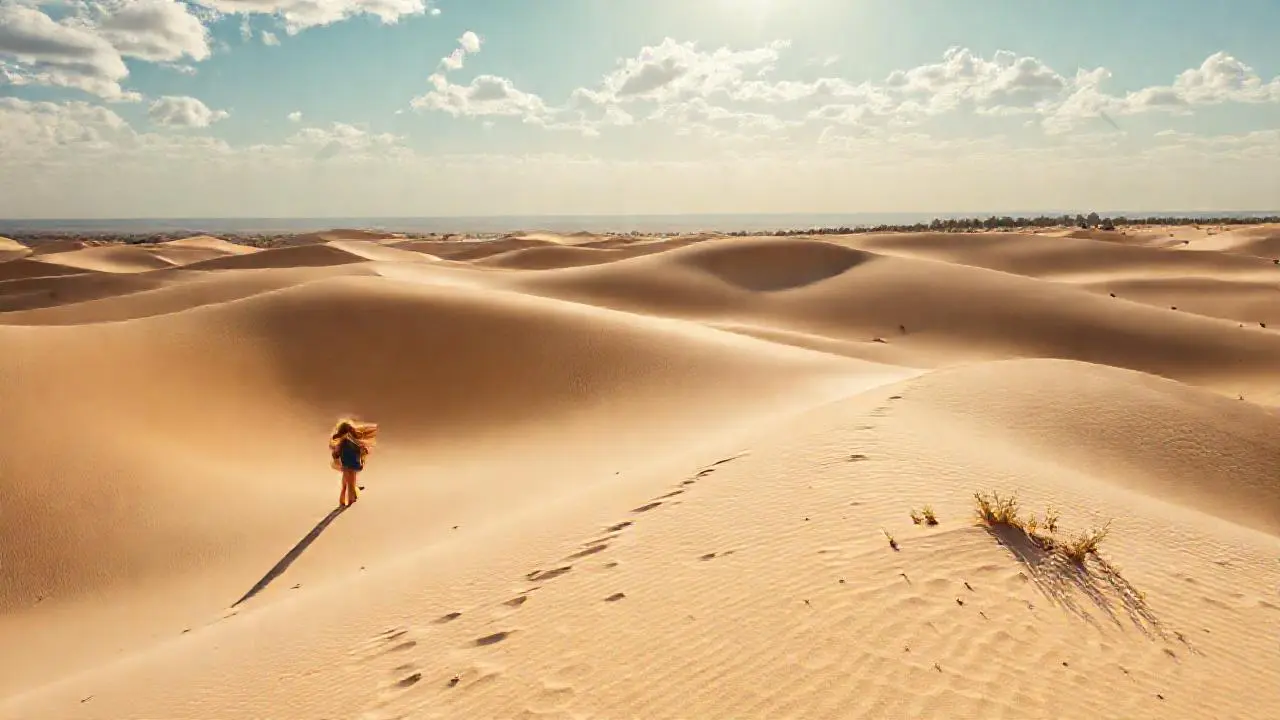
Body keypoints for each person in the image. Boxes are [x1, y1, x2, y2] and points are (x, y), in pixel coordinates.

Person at [329, 418, 378, 507]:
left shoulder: (343, 442)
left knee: (345, 484)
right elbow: (358, 450)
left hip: (347, 465)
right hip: (351, 465)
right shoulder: (348, 442)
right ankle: (350, 499)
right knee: (350, 483)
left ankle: (345, 500)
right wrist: (363, 451)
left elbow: (337, 454)